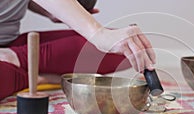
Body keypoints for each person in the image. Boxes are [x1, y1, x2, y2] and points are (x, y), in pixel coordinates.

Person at [0, 0, 156, 100]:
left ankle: (14, 59)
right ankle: (39, 78)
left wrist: (52, 12)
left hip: (9, 42)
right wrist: (99, 34)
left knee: (126, 48)